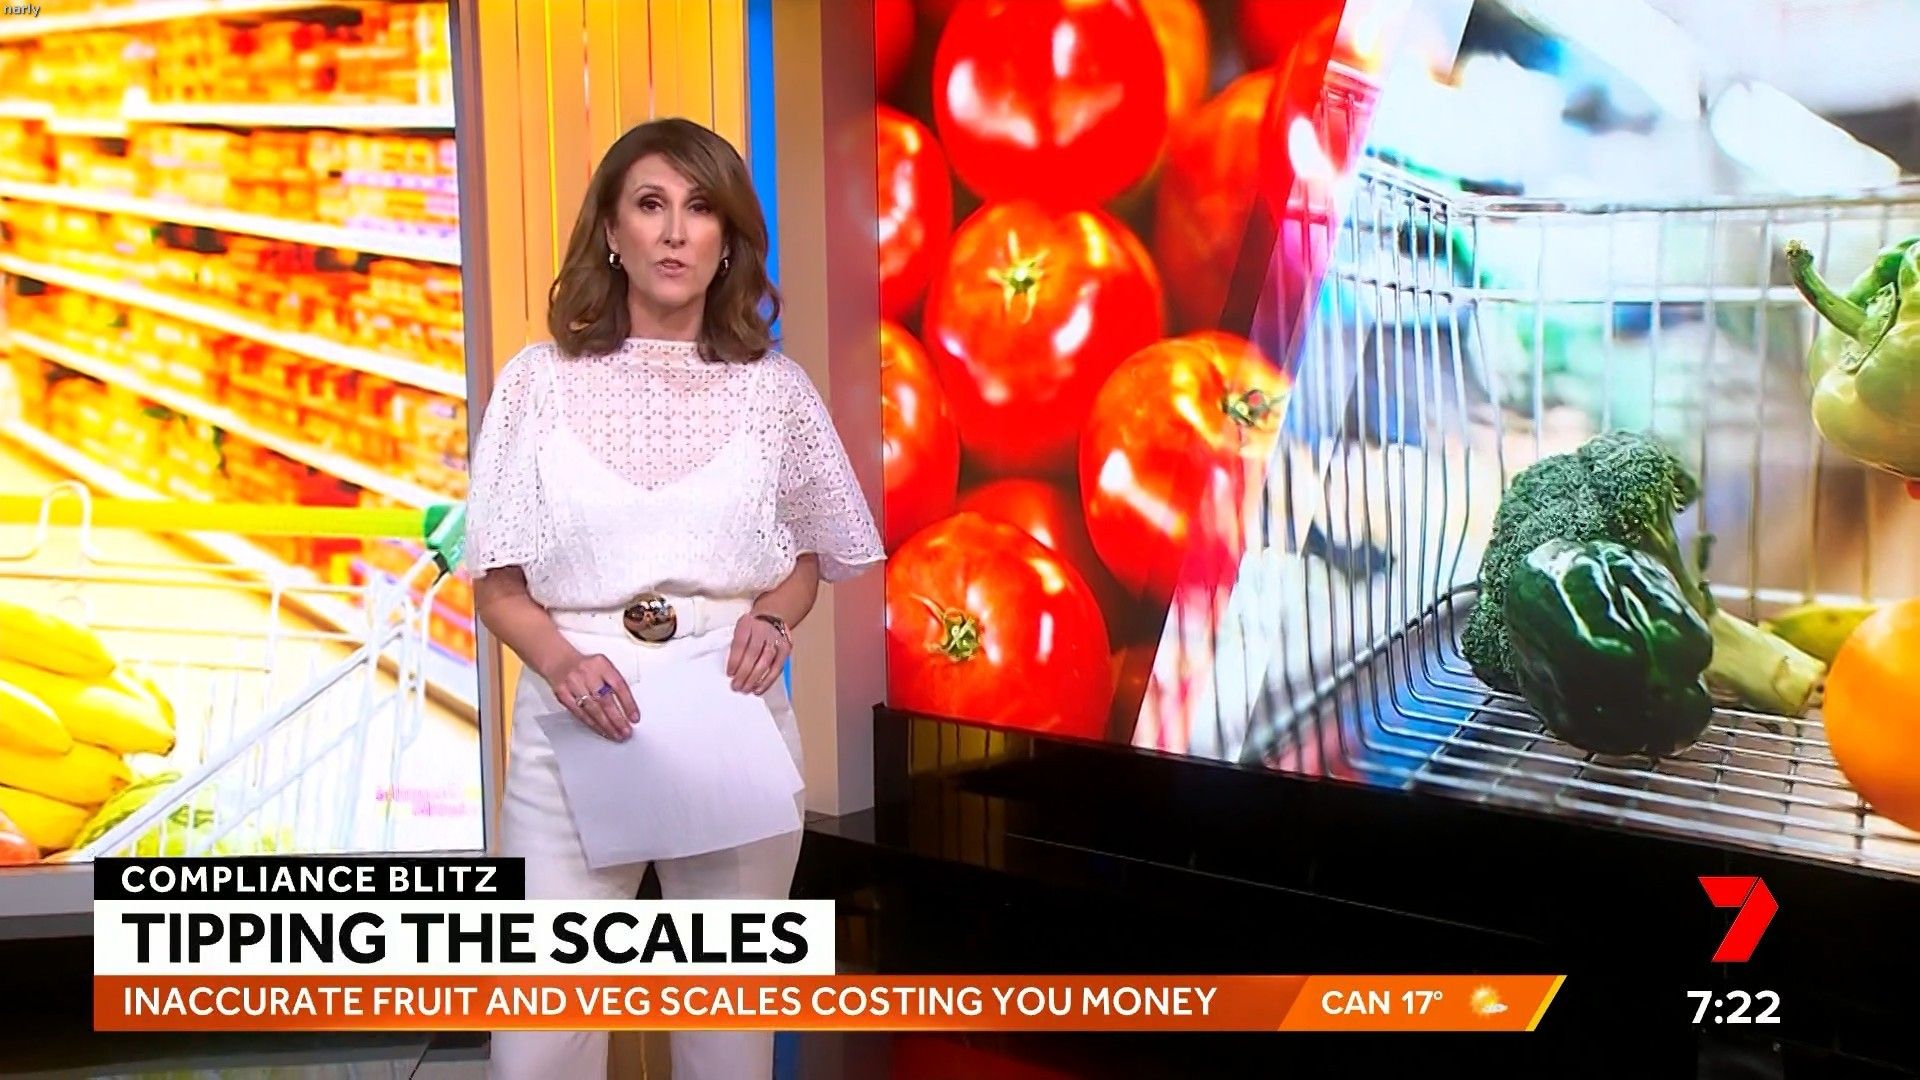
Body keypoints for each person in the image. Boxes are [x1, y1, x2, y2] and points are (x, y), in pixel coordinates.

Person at [466, 117, 884, 1079]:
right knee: (538, 1045)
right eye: (649, 205)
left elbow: (806, 557)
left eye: (699, 209)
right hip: (573, 717)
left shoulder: (775, 391)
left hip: (729, 714)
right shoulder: (537, 384)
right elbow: (498, 585)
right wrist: (563, 663)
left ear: (727, 239)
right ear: (611, 230)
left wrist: (774, 616)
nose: (673, 231)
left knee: (726, 1043)